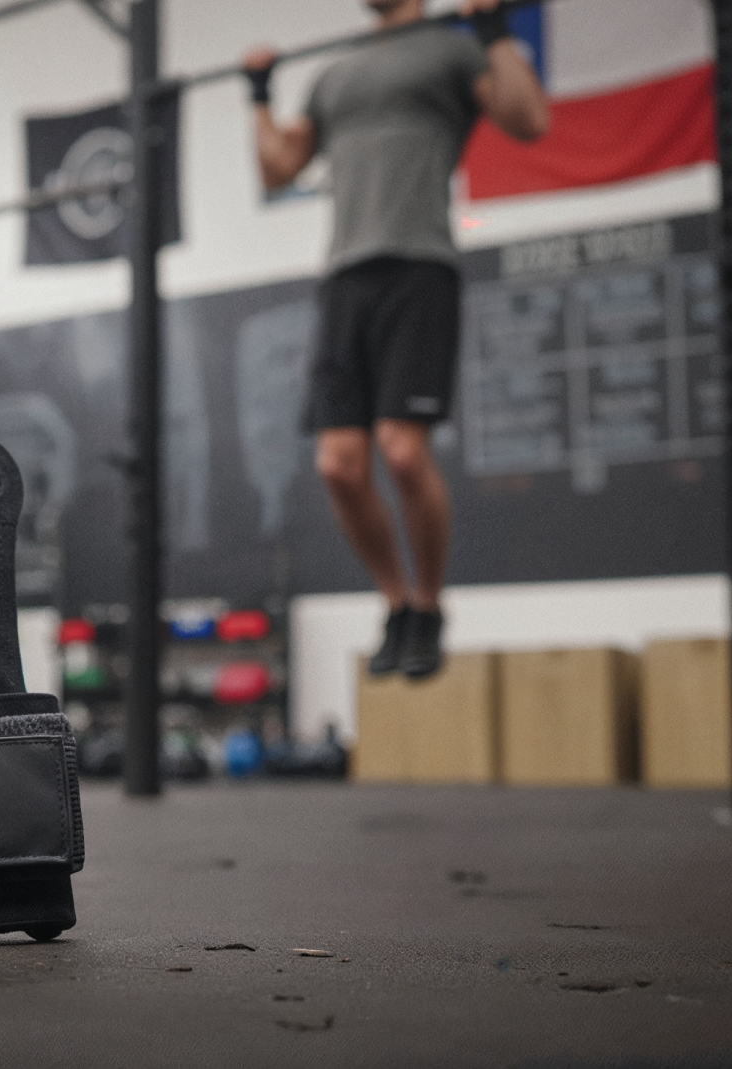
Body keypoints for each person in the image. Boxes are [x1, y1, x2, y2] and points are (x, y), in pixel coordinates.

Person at [243, 0, 548, 679]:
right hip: (345, 279)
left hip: (419, 266)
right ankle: (397, 603)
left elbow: (528, 120)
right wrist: (259, 94)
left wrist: (493, 32)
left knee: (403, 452)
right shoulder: (334, 72)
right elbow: (277, 169)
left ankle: (431, 605)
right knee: (337, 464)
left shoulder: (449, 49)